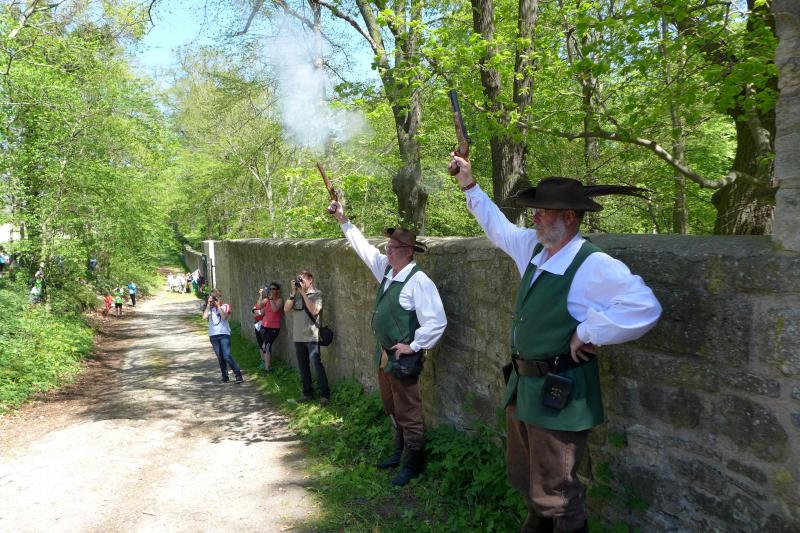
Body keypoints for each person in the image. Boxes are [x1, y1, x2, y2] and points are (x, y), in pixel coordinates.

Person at [448, 154, 662, 533]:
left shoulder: (592, 264)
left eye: (544, 211)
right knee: (529, 475)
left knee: (558, 492)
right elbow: (497, 227)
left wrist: (588, 331)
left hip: (559, 393)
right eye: (536, 210)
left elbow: (645, 308)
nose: (535, 217)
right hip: (525, 387)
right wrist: (469, 185)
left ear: (570, 217)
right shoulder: (534, 249)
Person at [328, 201, 447, 486]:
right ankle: (399, 450)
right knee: (391, 405)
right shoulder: (387, 270)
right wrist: (344, 221)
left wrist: (414, 346)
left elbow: (437, 321)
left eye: (392, 248)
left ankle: (413, 462)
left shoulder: (419, 281)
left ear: (408, 252)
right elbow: (364, 249)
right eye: (387, 247)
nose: (386, 251)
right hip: (384, 355)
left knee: (408, 409)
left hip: (403, 358)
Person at [283, 269, 330, 405]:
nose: (300, 282)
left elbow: (315, 311)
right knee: (303, 367)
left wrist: (303, 293)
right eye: (299, 279)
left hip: (312, 337)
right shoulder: (296, 295)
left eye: (302, 279)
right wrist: (293, 293)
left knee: (317, 365)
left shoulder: (317, 294)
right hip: (298, 337)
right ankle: (307, 393)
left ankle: (325, 394)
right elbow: (286, 309)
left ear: (310, 280)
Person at [202, 289, 244, 384]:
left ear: (220, 297)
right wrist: (208, 305)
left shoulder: (225, 306)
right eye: (212, 297)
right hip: (213, 335)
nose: (214, 300)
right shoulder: (209, 308)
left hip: (224, 334)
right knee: (220, 356)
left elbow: (224, 317)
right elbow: (204, 317)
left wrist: (218, 306)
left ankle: (238, 374)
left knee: (226, 355)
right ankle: (225, 376)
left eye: (216, 297)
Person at [254, 283, 283, 373]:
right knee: (264, 346)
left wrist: (270, 299)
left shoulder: (279, 300)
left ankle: (267, 369)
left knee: (266, 346)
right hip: (264, 326)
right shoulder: (267, 300)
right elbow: (259, 306)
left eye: (273, 289)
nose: (271, 290)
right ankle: (266, 366)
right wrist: (261, 295)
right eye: (270, 289)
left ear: (277, 290)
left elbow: (275, 309)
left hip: (274, 327)